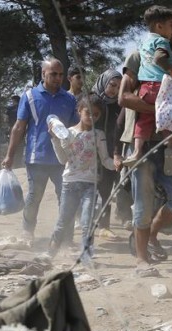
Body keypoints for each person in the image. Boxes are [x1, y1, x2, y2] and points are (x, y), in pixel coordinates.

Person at [118, 18, 172, 277]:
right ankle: (141, 260)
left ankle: (150, 236)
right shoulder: (139, 56)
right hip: (144, 143)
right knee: (143, 203)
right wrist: (161, 112)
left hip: (169, 144)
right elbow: (124, 97)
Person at [1, 58, 78, 245]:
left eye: (60, 75)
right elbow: (19, 127)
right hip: (37, 157)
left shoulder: (69, 99)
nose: (58, 78)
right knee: (34, 197)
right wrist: (10, 156)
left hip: (63, 159)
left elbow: (76, 127)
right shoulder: (29, 96)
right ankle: (28, 231)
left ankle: (65, 236)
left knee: (65, 198)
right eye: (53, 74)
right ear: (43, 74)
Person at [47, 94, 116, 264]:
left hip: (90, 185)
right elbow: (63, 160)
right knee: (63, 221)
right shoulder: (67, 133)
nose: (92, 117)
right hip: (69, 184)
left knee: (87, 223)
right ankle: (50, 253)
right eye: (88, 113)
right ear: (79, 111)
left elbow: (106, 161)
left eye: (96, 114)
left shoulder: (98, 135)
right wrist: (55, 139)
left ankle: (86, 256)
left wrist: (119, 163)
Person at [122, 5, 172, 176]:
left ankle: (137, 151)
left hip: (145, 88)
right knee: (169, 118)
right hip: (161, 86)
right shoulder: (162, 41)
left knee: (144, 120)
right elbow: (159, 57)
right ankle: (169, 148)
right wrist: (171, 70)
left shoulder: (143, 43)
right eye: (171, 25)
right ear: (159, 26)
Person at [91, 69, 127, 240]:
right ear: (103, 82)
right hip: (90, 153)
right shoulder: (92, 101)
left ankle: (104, 226)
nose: (114, 90)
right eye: (112, 85)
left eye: (119, 87)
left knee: (106, 189)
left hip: (111, 153)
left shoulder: (120, 105)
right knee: (87, 190)